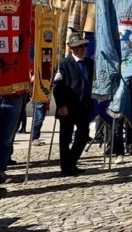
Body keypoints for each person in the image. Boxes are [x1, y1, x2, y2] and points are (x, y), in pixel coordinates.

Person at [52, 34, 95, 176]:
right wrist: (61, 105)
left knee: (83, 135)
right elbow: (57, 86)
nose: (84, 49)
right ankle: (66, 167)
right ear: (72, 49)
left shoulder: (90, 63)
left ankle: (71, 161)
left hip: (84, 106)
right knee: (65, 137)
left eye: (85, 46)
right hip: (68, 106)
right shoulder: (63, 64)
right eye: (80, 47)